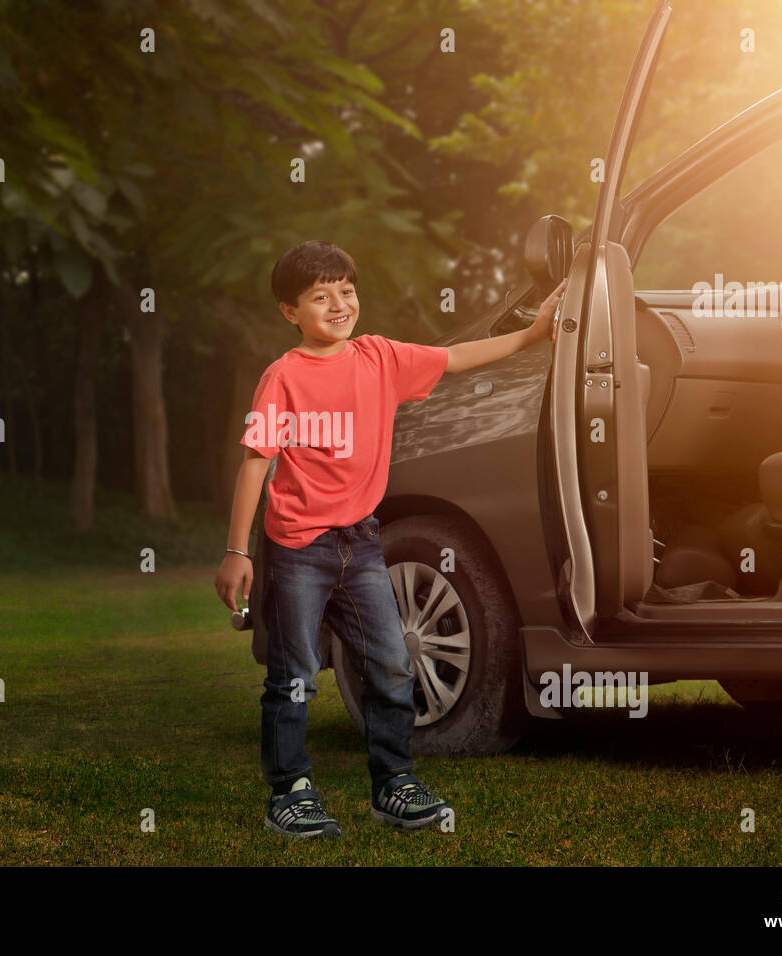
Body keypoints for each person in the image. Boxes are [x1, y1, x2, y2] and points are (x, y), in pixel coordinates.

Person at [214, 240, 566, 839]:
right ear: (290, 312)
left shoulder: (380, 358)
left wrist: (531, 337)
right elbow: (255, 463)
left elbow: (453, 359)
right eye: (320, 296)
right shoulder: (283, 377)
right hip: (298, 546)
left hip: (363, 543)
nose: (339, 304)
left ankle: (393, 783)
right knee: (294, 671)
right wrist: (236, 551)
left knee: (394, 664)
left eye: (346, 291)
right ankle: (290, 791)